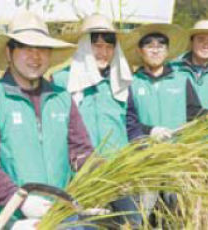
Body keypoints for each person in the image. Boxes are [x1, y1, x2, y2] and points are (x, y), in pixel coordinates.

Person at [0, 11, 93, 228]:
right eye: (26, 48)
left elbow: (80, 150)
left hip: (63, 215)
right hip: (14, 220)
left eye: (42, 48)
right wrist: (18, 199)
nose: (35, 56)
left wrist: (99, 175)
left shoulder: (61, 98)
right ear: (9, 52)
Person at [52, 13, 144, 227]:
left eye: (108, 47)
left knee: (130, 223)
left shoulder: (120, 81)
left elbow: (131, 124)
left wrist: (142, 149)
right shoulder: (61, 82)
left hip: (120, 173)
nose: (103, 53)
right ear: (84, 46)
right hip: (79, 176)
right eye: (97, 46)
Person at [123, 23, 206, 225]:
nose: (155, 49)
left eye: (161, 45)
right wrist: (150, 131)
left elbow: (194, 112)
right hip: (144, 161)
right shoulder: (130, 83)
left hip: (177, 159)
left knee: (176, 215)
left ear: (167, 51)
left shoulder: (181, 80)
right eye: (149, 45)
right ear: (140, 51)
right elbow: (127, 120)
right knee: (142, 215)